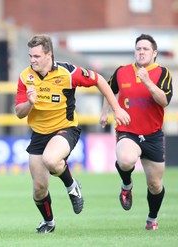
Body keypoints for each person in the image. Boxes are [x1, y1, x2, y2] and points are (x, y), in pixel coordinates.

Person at [15, 35, 131, 234]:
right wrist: (30, 103)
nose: (32, 60)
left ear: (49, 54)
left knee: (51, 160)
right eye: (30, 56)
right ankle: (49, 222)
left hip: (65, 129)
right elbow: (19, 113)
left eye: (36, 56)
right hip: (38, 134)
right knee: (39, 189)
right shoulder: (26, 76)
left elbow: (99, 80)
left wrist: (116, 109)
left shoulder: (68, 73)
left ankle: (72, 187)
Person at [100, 34, 173, 231]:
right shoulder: (122, 72)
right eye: (138, 48)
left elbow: (164, 101)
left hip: (153, 135)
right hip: (128, 131)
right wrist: (106, 111)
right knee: (125, 160)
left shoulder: (163, 73)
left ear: (154, 53)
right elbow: (108, 89)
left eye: (145, 49)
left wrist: (148, 82)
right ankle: (126, 185)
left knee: (155, 185)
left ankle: (152, 217)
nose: (141, 52)